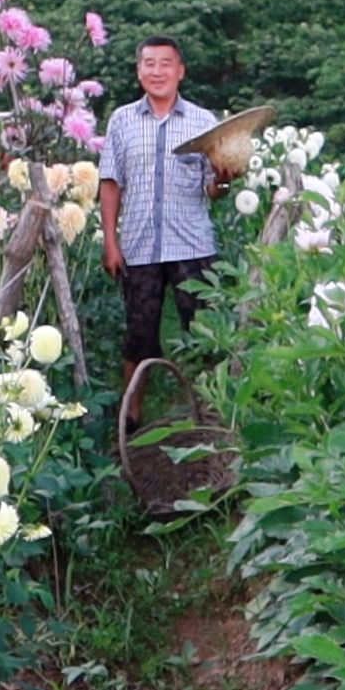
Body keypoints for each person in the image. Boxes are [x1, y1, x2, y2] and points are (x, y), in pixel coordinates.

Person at [98, 35, 233, 433]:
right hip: (139, 244)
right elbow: (110, 182)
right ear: (139, 70)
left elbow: (215, 187)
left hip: (191, 242)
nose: (157, 71)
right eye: (149, 64)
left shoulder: (203, 121)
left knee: (203, 331)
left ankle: (209, 414)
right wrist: (111, 241)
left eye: (166, 63)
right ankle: (132, 417)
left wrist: (224, 182)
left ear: (180, 71)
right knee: (139, 332)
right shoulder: (123, 120)